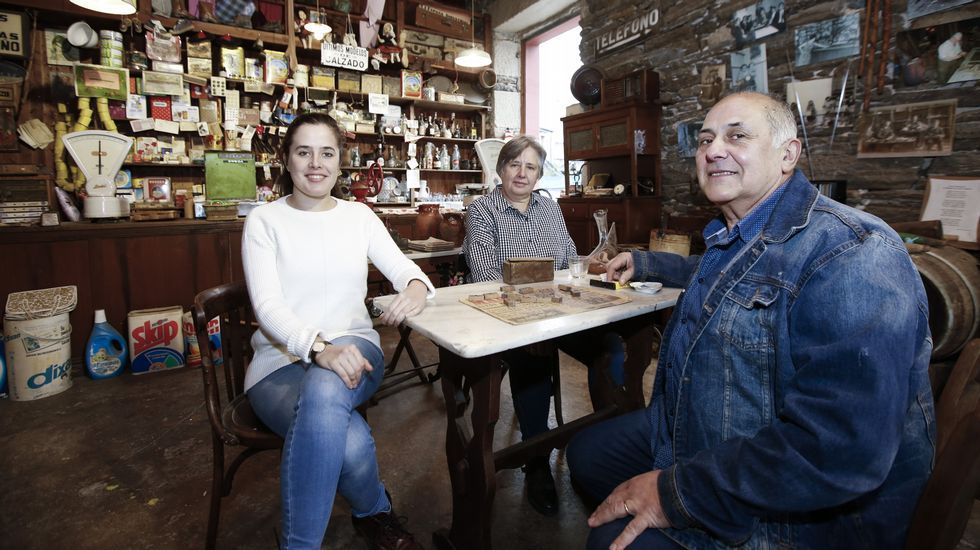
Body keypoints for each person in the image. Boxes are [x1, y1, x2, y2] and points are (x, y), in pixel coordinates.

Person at [567, 92, 934, 549]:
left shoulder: (852, 253)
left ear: (788, 154)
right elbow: (731, 276)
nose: (713, 150)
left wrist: (673, 494)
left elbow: (839, 450)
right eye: (706, 140)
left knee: (606, 541)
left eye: (737, 136)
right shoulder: (741, 235)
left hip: (805, 519)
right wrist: (646, 263)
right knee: (587, 454)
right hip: (716, 427)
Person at [242, 112, 434, 550]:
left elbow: (405, 269)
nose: (316, 164)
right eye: (303, 152)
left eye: (326, 153)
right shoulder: (264, 221)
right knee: (348, 441)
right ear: (286, 160)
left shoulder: (359, 216)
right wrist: (318, 347)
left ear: (340, 161)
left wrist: (416, 286)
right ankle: (375, 511)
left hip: (357, 347)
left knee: (327, 384)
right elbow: (267, 307)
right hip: (278, 364)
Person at [462, 135, 626, 516]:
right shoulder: (482, 211)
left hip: (560, 312)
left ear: (538, 175)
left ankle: (610, 441)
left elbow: (568, 261)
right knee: (532, 358)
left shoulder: (550, 208)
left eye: (531, 167)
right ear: (501, 169)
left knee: (611, 347)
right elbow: (487, 277)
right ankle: (536, 459)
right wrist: (536, 307)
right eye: (514, 164)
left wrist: (594, 262)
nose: (522, 173)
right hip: (509, 316)